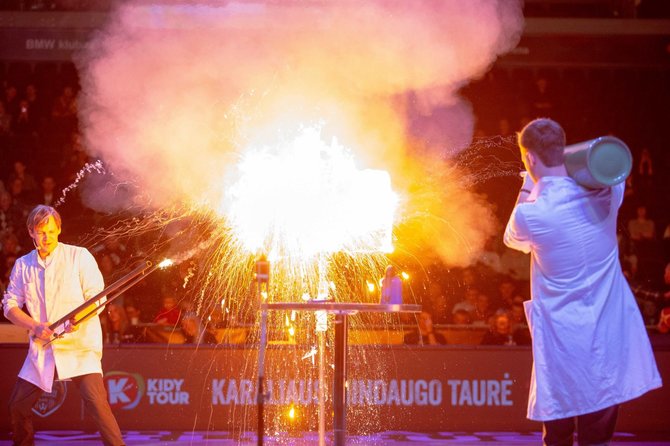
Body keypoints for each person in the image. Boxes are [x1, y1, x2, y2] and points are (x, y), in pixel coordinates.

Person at [503, 118, 661, 446]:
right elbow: (607, 163)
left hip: (563, 343)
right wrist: (559, 157)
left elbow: (511, 239)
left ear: (529, 158)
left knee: (558, 437)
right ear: (561, 149)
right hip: (606, 334)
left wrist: (528, 184)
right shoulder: (606, 192)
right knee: (597, 437)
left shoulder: (530, 214)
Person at [1, 205, 124, 446]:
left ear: (59, 229)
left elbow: (96, 297)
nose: (46, 237)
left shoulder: (79, 256)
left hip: (79, 347)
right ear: (31, 232)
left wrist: (78, 319)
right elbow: (9, 306)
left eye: (50, 231)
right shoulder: (23, 265)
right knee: (17, 405)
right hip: (44, 347)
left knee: (97, 405)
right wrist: (35, 326)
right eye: (40, 232)